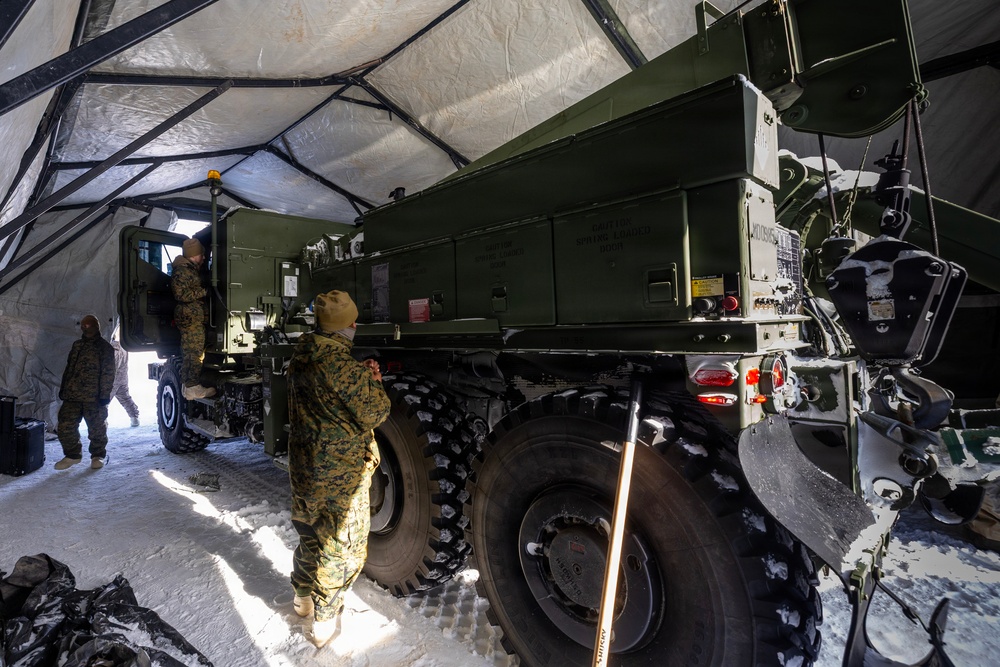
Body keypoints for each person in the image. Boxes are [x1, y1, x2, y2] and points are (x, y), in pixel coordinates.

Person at [286, 290, 390, 647]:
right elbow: (376, 411)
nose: (356, 326)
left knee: (310, 534)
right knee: (340, 547)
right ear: (347, 326)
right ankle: (324, 620)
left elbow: (328, 393)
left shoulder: (302, 355)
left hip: (304, 465)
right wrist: (372, 382)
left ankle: (302, 599)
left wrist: (359, 376)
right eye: (353, 322)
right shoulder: (341, 367)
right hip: (339, 472)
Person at [54, 315, 116, 470]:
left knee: (97, 428)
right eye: (83, 326)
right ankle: (73, 455)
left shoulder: (105, 348)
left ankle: (97, 455)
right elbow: (69, 368)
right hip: (72, 395)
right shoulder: (77, 345)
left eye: (88, 325)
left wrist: (104, 395)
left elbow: (108, 373)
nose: (85, 328)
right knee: (65, 426)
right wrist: (64, 388)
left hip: (94, 397)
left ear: (96, 327)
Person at [171, 237, 215, 400]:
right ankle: (192, 387)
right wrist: (204, 292)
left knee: (191, 352)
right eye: (201, 255)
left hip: (192, 317)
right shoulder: (182, 271)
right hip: (190, 318)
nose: (203, 258)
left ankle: (188, 386)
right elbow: (181, 294)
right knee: (193, 353)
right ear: (194, 255)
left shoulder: (190, 269)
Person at [110, 339, 139, 427]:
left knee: (103, 401)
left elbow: (112, 367)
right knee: (125, 398)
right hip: (122, 377)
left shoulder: (112, 349)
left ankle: (101, 423)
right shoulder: (123, 346)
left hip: (112, 379)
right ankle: (134, 418)